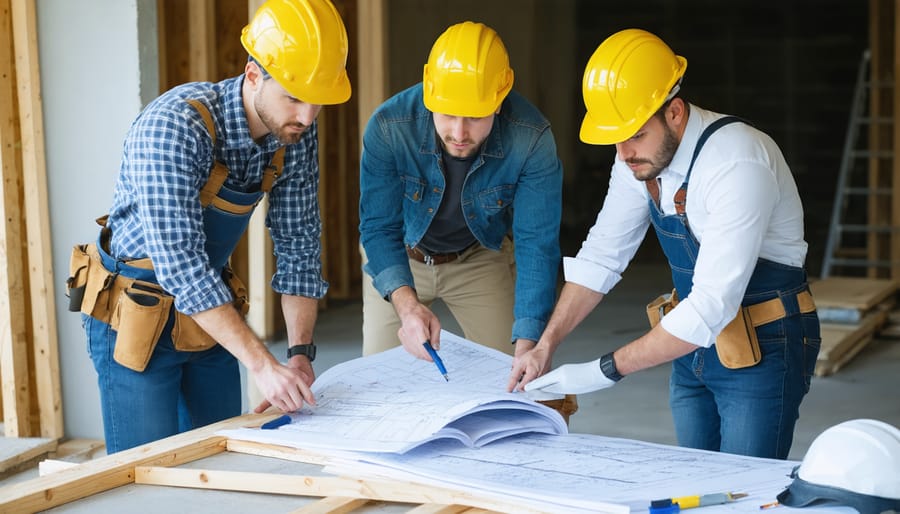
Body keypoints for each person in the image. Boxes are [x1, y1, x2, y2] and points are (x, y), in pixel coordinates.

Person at [514, 28, 820, 459]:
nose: (623, 152)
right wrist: (546, 344)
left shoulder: (737, 163)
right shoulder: (637, 157)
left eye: (635, 135)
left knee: (744, 491)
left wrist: (603, 370)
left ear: (674, 112)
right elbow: (603, 254)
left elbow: (711, 306)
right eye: (616, 138)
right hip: (689, 347)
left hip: (764, 347)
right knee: (694, 481)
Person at [67, 0, 351, 453]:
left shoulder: (294, 130)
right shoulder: (174, 127)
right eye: (295, 97)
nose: (308, 116)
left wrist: (299, 355)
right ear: (253, 75)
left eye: (318, 101)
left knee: (221, 458)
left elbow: (299, 244)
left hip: (209, 314)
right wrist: (261, 365)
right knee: (145, 477)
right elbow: (181, 266)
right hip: (136, 314)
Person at [359, 21, 576, 419]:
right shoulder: (389, 127)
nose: (459, 133)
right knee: (378, 390)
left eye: (475, 117)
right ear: (429, 92)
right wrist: (406, 308)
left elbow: (536, 244)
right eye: (447, 115)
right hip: (400, 260)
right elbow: (378, 229)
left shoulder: (531, 137)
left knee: (509, 384)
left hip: (479, 257)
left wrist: (529, 342)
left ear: (500, 97)